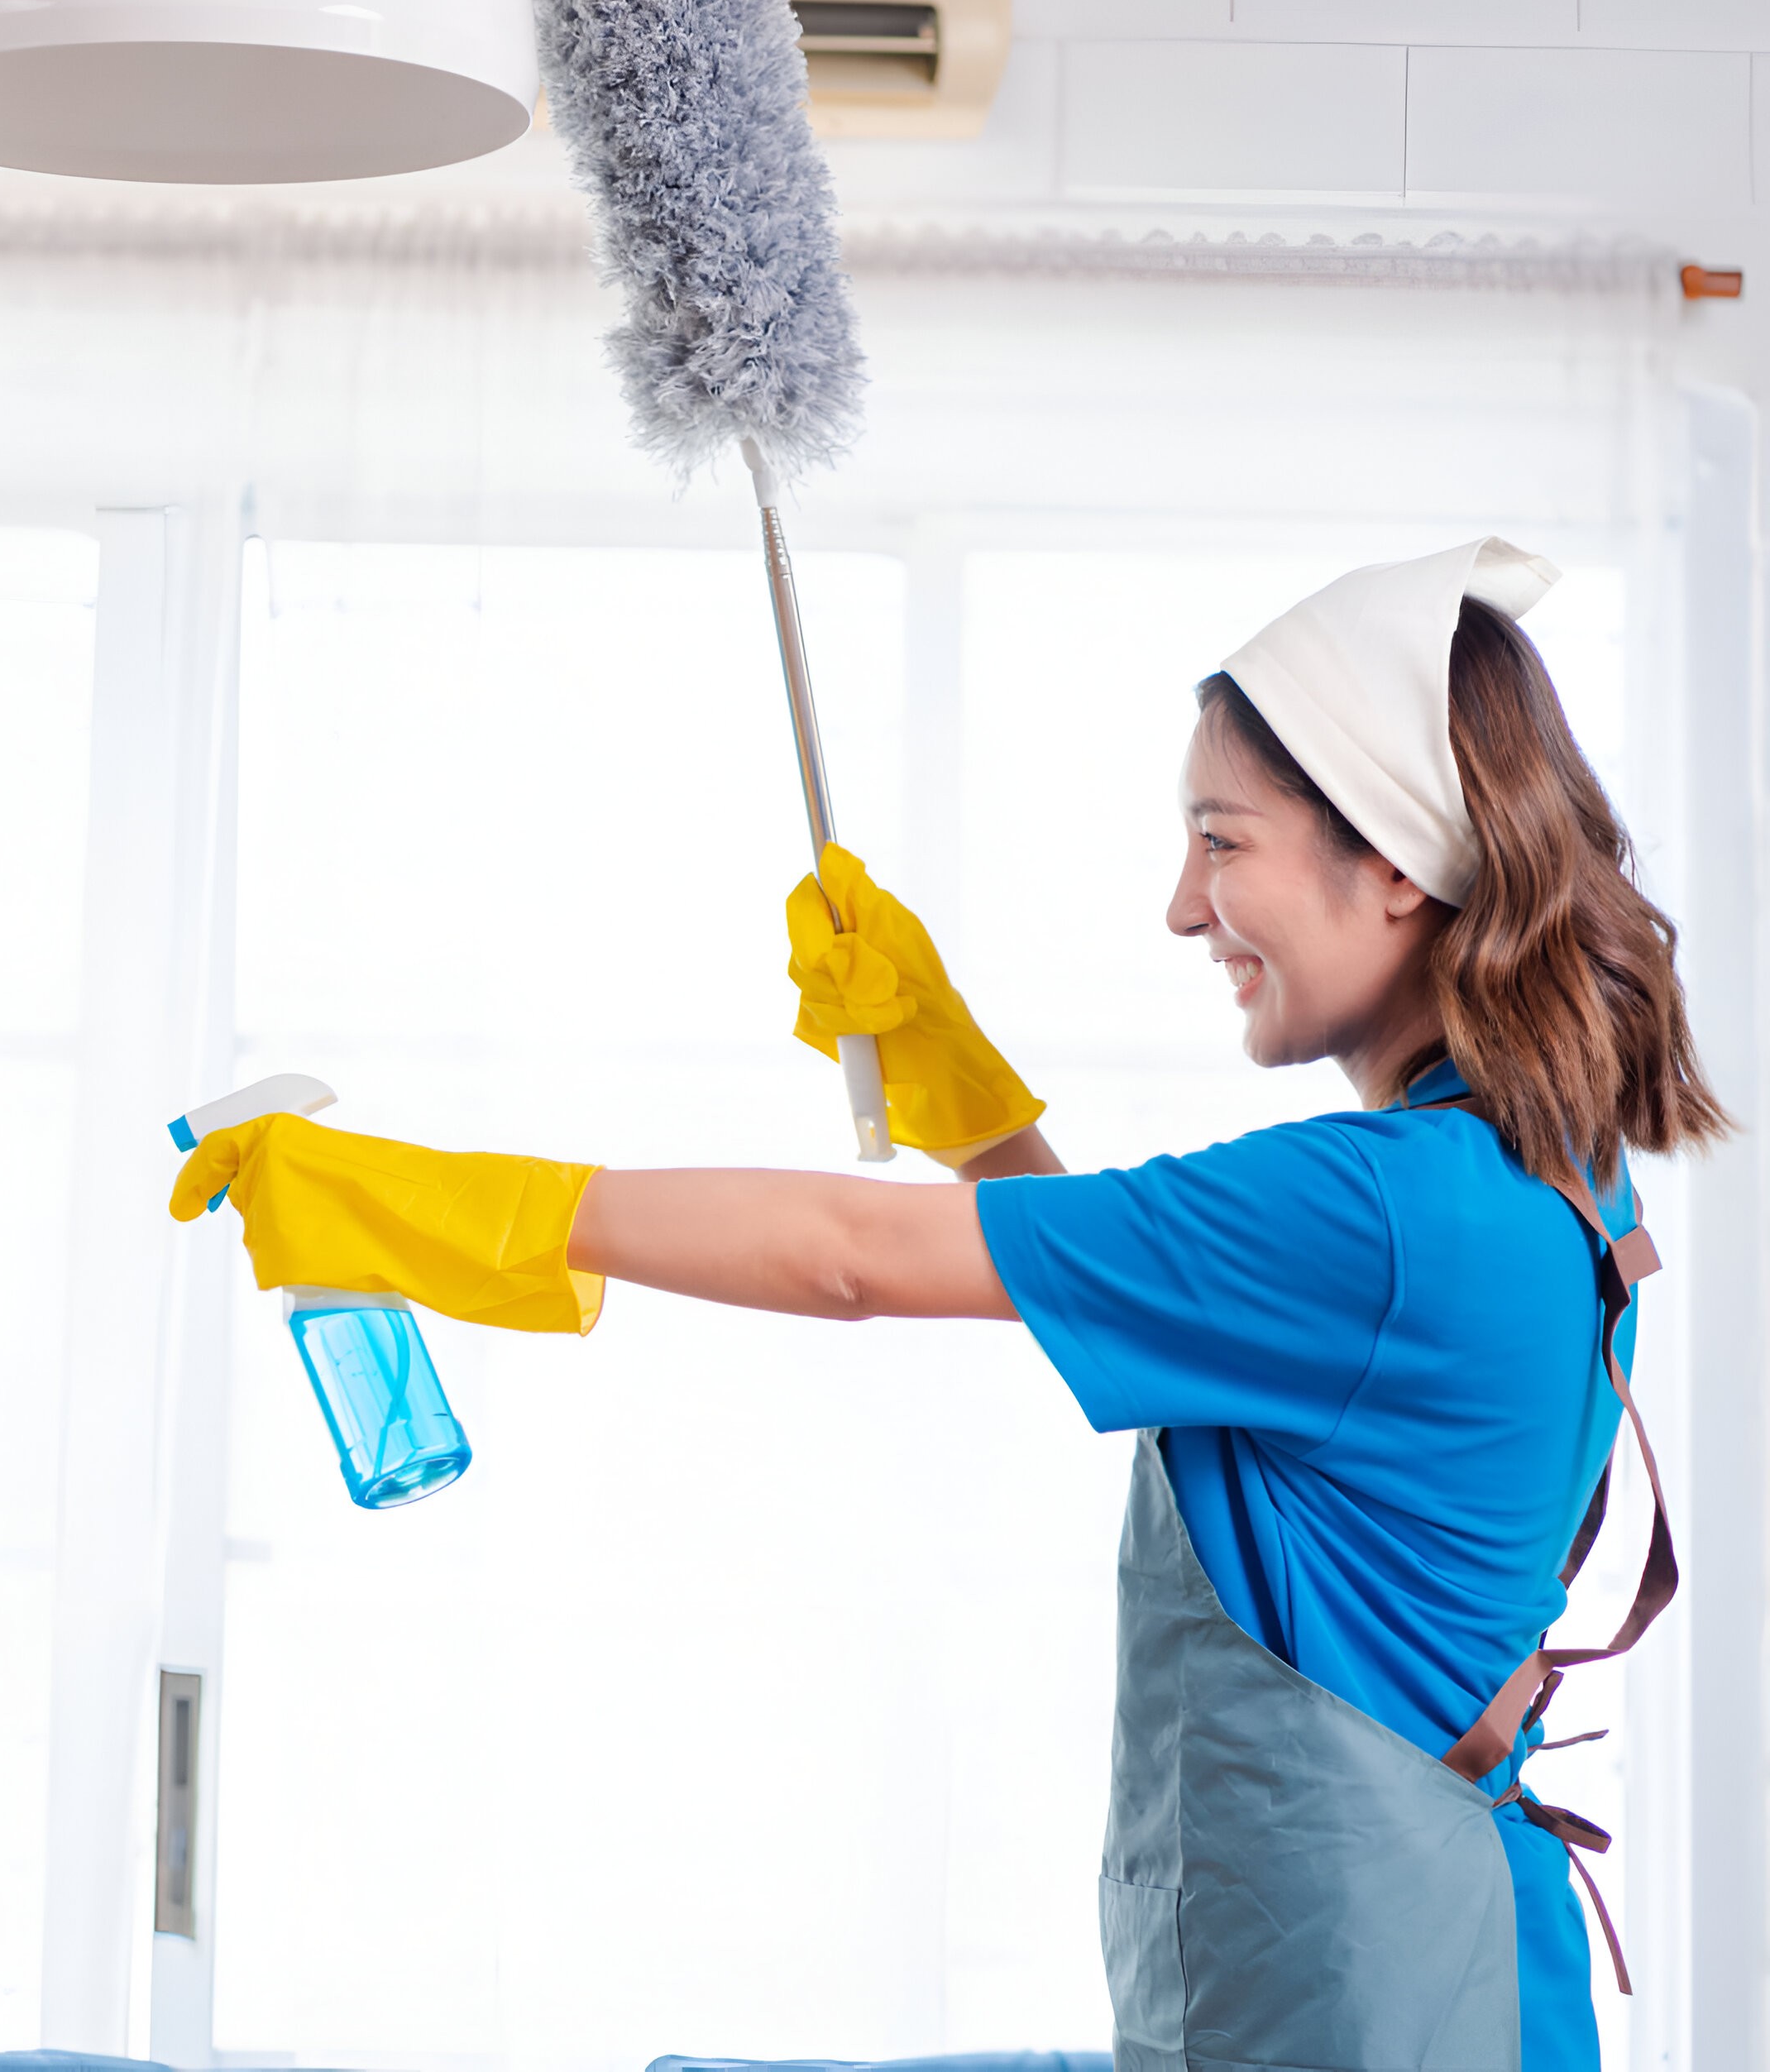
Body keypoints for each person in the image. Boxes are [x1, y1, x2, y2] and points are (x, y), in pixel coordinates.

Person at [170, 539, 1708, 2072]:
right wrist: (954, 1078)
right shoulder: (1533, 1180)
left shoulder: (1375, 1207)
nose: (1184, 906)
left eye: (1221, 841)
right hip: (1441, 1987)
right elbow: (1171, 1292)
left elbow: (852, 1252)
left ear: (1392, 861)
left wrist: (435, 1208)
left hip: (1372, 2014)